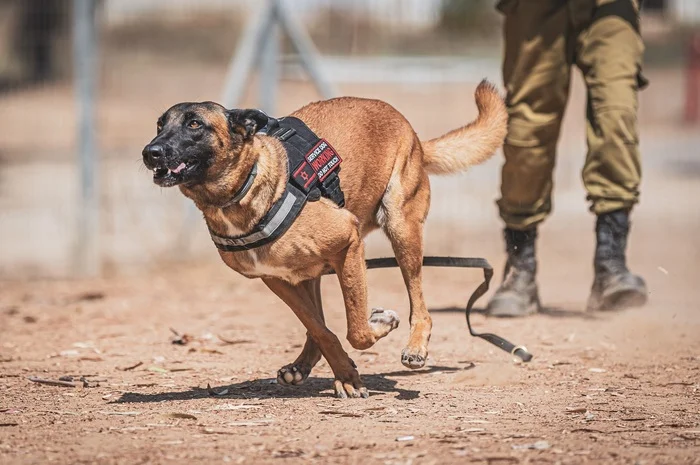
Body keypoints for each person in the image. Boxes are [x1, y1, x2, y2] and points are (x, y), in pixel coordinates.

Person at [487, 0, 649, 317]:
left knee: (617, 116)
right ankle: (521, 267)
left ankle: (611, 264)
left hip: (611, 7)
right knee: (527, 132)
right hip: (536, 9)